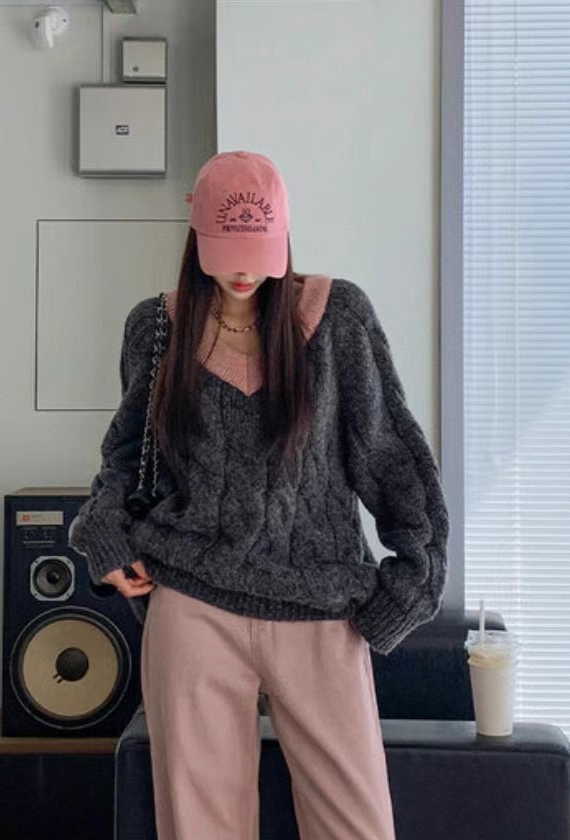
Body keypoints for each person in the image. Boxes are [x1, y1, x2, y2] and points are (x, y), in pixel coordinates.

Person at [68, 149, 449, 840]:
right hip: (193, 605)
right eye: (228, 250)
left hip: (322, 609)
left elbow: (392, 457)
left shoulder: (339, 318)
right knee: (200, 828)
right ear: (196, 237)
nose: (245, 269)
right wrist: (106, 536)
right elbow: (125, 458)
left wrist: (412, 584)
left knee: (356, 827)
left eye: (259, 250)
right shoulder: (156, 329)